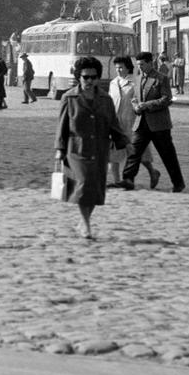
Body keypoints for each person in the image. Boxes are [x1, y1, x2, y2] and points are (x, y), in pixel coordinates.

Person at [54, 56, 130, 240]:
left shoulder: (105, 99)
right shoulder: (69, 97)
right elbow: (62, 125)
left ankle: (84, 220)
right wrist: (59, 149)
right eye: (86, 77)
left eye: (93, 77)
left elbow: (113, 123)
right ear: (79, 76)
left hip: (99, 149)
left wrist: (125, 143)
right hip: (76, 149)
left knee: (94, 189)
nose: (90, 81)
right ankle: (86, 224)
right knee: (83, 185)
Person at [116, 50, 186, 193]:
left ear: (150, 63)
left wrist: (147, 105)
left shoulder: (161, 78)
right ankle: (128, 180)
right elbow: (135, 98)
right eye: (138, 65)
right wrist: (136, 106)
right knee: (134, 152)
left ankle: (178, 183)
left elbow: (167, 99)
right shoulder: (138, 79)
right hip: (141, 123)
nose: (139, 67)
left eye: (142, 64)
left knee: (168, 155)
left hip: (159, 125)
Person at [107, 57, 161, 188]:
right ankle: (117, 180)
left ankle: (153, 172)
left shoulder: (135, 83)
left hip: (132, 123)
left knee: (138, 153)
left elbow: (139, 99)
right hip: (116, 124)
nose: (118, 70)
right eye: (117, 68)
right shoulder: (113, 83)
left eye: (121, 67)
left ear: (128, 68)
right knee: (113, 154)